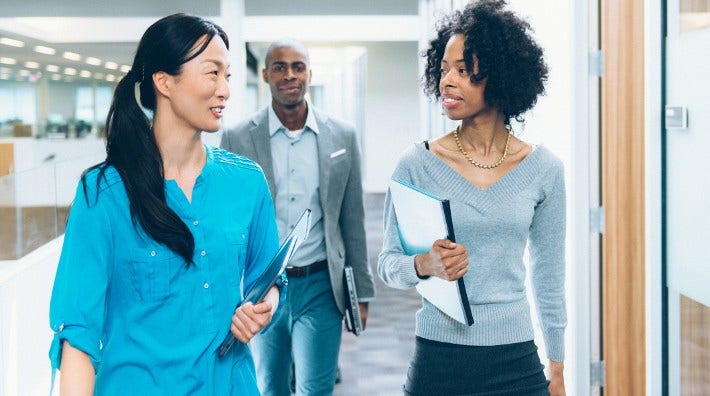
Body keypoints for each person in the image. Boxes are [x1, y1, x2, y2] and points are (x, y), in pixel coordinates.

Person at [48, 13, 284, 395]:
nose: (224, 90)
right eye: (212, 73)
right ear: (164, 82)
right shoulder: (104, 194)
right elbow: (78, 333)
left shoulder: (246, 181)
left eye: (228, 76)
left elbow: (270, 277)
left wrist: (264, 308)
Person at [377, 1, 566, 395]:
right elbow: (388, 264)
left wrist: (558, 367)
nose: (447, 81)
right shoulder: (417, 164)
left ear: (500, 76)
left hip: (516, 359)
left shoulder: (544, 169)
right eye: (444, 70)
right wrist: (425, 263)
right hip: (439, 359)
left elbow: (549, 277)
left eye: (463, 71)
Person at [220, 38, 375, 396]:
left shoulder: (343, 136)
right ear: (265, 75)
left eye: (298, 66)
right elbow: (228, 223)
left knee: (315, 387)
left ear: (309, 73)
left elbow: (352, 219)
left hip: (321, 283)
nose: (290, 75)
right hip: (261, 287)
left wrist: (361, 293)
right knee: (269, 385)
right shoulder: (237, 138)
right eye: (279, 67)